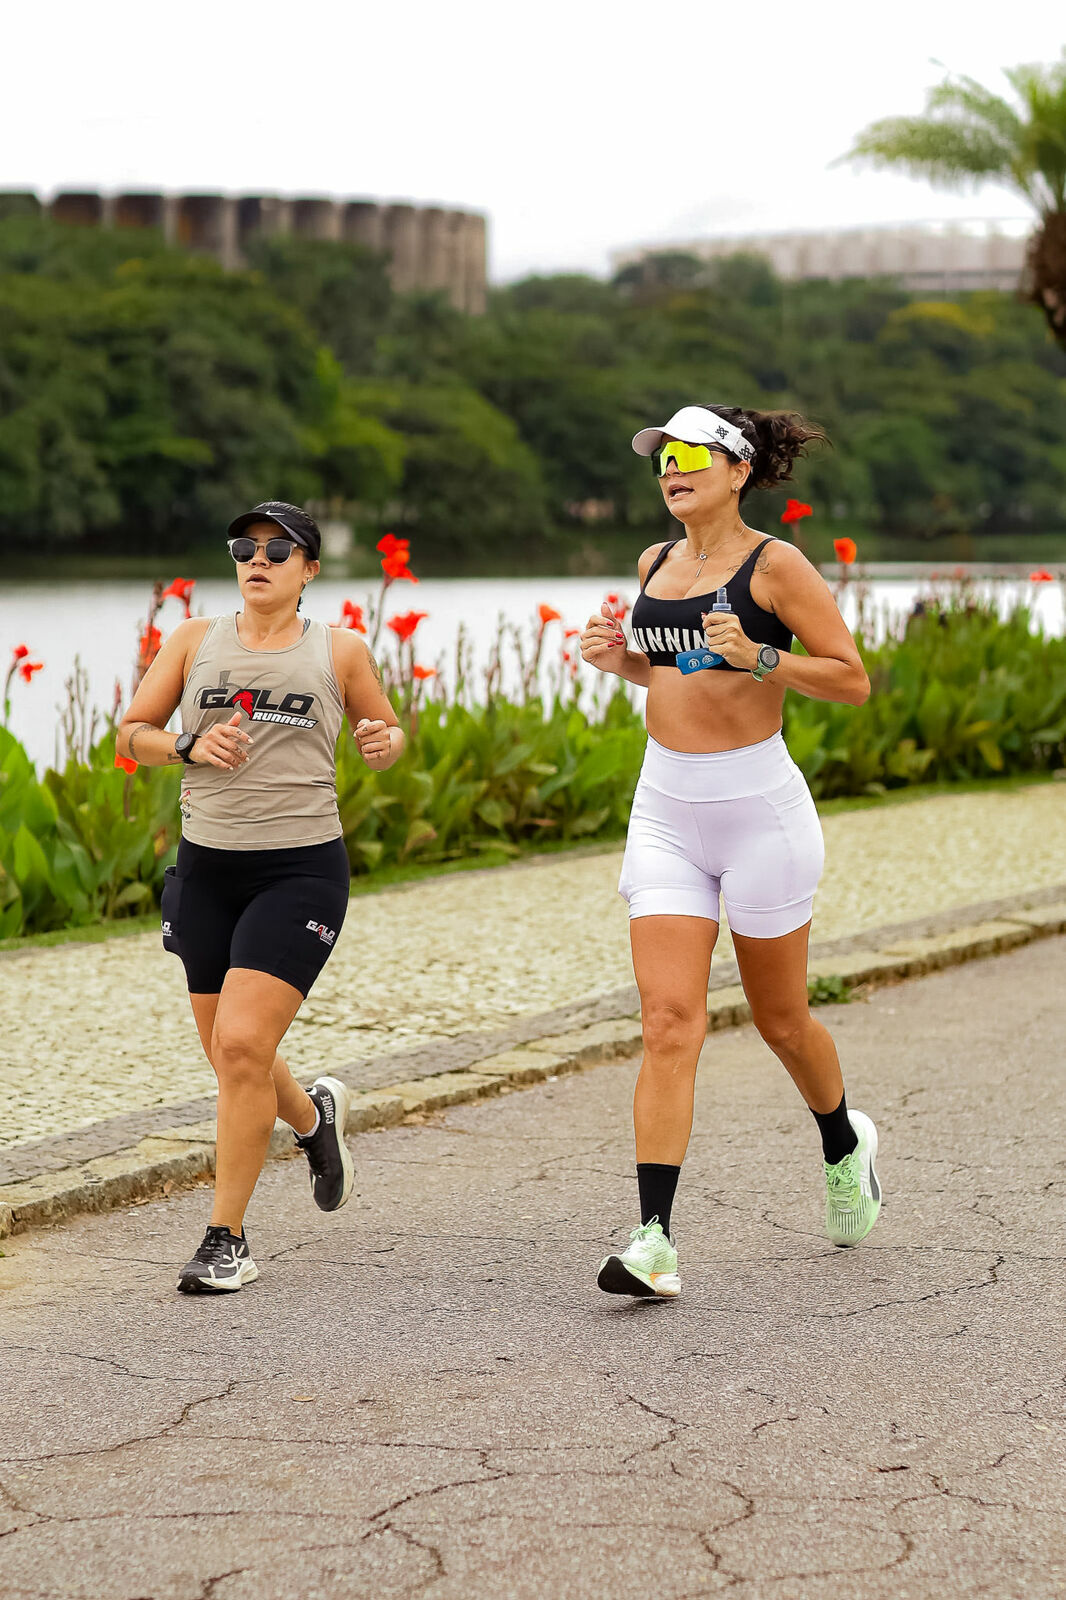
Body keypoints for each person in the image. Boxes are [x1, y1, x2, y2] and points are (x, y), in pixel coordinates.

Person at [580, 406, 880, 1300]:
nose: (671, 471)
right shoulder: (654, 565)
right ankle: (654, 1241)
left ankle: (842, 1143)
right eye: (661, 461)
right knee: (669, 1021)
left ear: (738, 470)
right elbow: (673, 673)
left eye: (688, 458)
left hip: (761, 813)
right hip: (666, 808)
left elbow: (851, 680)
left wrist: (760, 657)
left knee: (783, 1020)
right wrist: (620, 664)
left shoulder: (777, 566)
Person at [117, 502, 404, 1294]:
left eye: (281, 550)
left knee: (242, 1047)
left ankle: (226, 1237)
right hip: (207, 872)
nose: (259, 558)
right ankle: (314, 1122)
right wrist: (186, 742)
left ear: (310, 569)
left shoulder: (339, 650)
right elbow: (130, 733)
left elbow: (385, 733)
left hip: (301, 872)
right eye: (246, 546)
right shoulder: (192, 641)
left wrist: (384, 742)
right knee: (231, 1053)